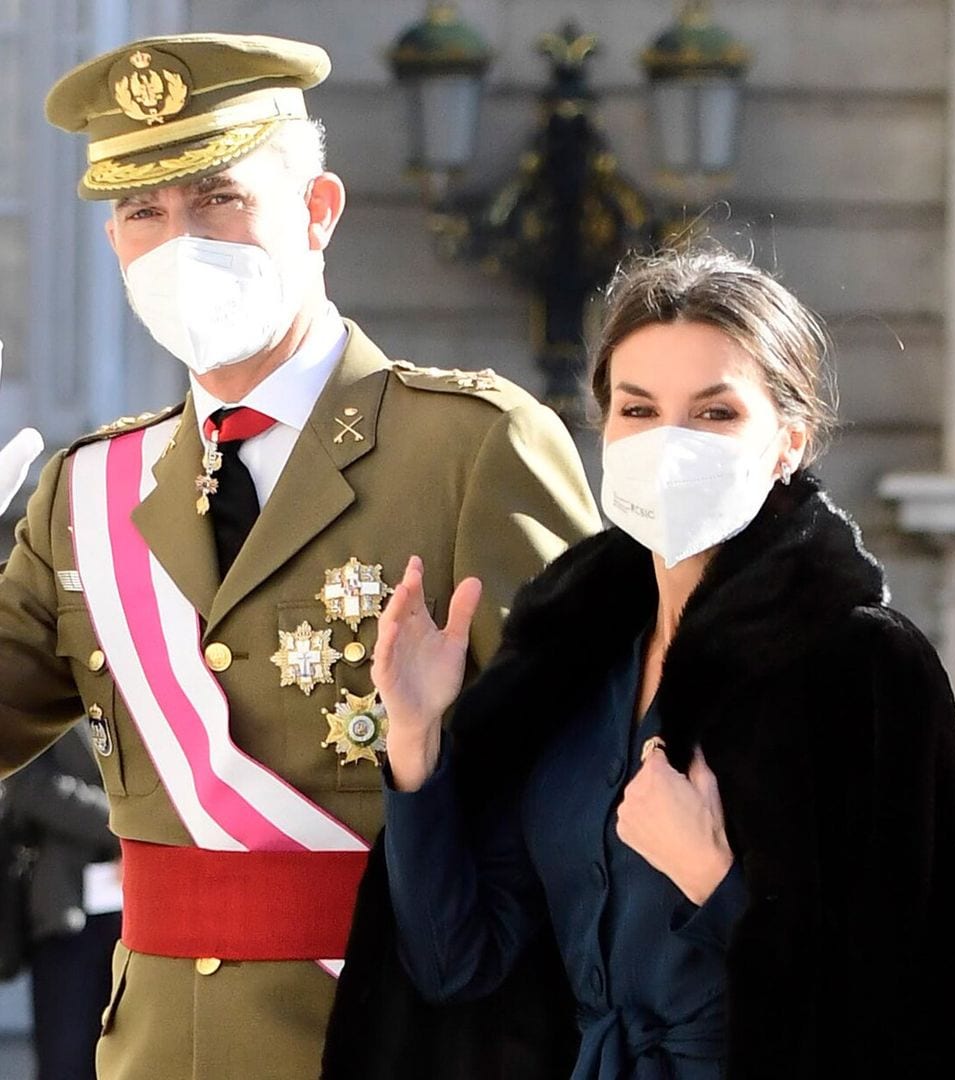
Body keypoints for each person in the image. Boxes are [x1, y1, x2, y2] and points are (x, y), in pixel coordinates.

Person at [0, 32, 601, 1080]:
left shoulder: (472, 449)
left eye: (219, 198)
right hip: (156, 1053)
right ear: (113, 242)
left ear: (318, 209)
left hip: (404, 1039)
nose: (181, 240)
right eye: (145, 211)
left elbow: (586, 781)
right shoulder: (85, 491)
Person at [322, 246, 955, 1079]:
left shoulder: (862, 668)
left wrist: (713, 879)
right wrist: (416, 737)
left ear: (787, 443)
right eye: (639, 410)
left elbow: (911, 1004)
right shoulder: (565, 671)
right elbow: (455, 966)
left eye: (715, 414)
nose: (669, 443)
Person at [2, 723, 121, 1080]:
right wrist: (127, 830)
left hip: (143, 914)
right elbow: (28, 785)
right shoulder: (42, 688)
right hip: (68, 912)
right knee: (67, 1059)